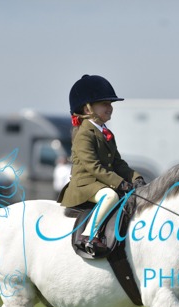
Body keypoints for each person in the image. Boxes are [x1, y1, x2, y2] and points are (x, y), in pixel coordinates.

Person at [58, 74, 145, 256]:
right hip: (85, 184)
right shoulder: (84, 133)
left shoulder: (105, 132)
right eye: (104, 104)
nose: (110, 107)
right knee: (110, 196)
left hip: (100, 182)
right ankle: (88, 236)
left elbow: (118, 163)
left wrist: (136, 178)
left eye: (110, 104)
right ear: (87, 108)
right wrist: (120, 183)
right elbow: (93, 166)